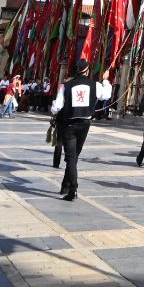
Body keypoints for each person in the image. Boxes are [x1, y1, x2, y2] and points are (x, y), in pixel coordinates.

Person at [51, 58, 99, 200]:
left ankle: (72, 188)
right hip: (84, 124)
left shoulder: (66, 86)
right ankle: (67, 185)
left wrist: (54, 111)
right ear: (87, 70)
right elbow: (106, 95)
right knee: (73, 156)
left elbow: (56, 107)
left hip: (69, 124)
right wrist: (106, 80)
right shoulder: (94, 85)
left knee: (72, 157)